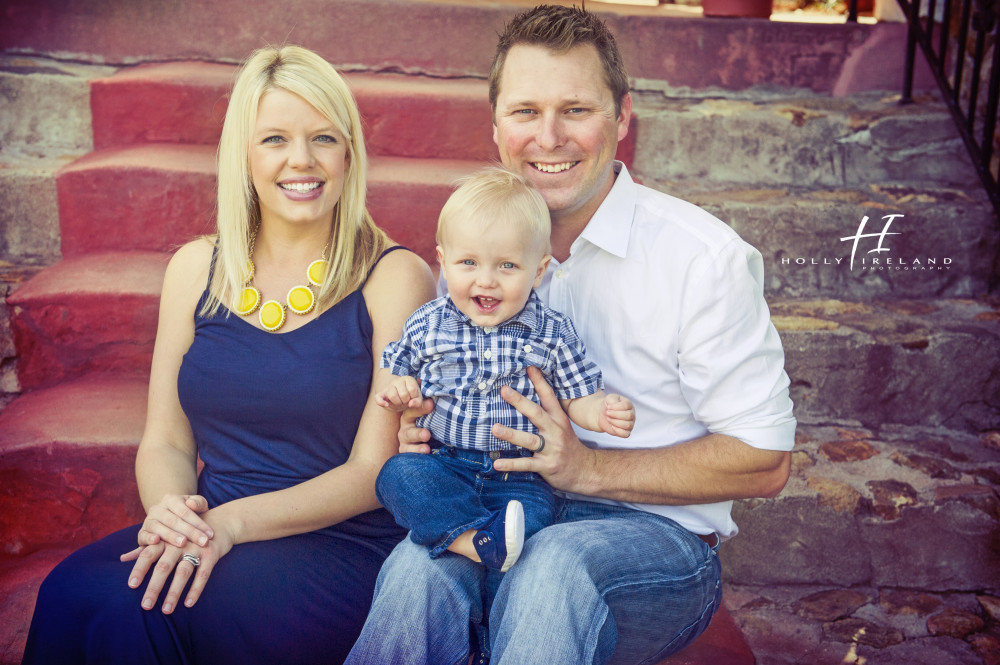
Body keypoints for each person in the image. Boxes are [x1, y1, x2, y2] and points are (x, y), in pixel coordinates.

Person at [346, 6, 796, 665]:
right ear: (496, 124)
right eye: (525, 111)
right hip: (496, 503)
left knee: (551, 563)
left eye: (575, 110)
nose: (548, 137)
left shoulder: (701, 258)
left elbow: (766, 458)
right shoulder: (476, 249)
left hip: (658, 543)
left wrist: (587, 467)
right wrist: (428, 424)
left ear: (622, 116)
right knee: (419, 571)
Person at [21, 44, 434, 665]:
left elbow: (373, 471)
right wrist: (172, 514)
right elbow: (166, 441)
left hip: (337, 542)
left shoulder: (393, 276)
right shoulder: (195, 269)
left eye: (323, 137)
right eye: (274, 139)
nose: (302, 160)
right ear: (242, 154)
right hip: (209, 526)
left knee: (145, 612)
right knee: (71, 593)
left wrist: (231, 526)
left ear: (349, 152)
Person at [374, 166, 635, 576]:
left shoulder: (551, 331)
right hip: (446, 465)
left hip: (518, 474)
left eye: (507, 266)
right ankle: (473, 541)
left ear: (539, 270)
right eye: (468, 262)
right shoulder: (428, 323)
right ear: (442, 261)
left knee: (533, 523)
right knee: (398, 476)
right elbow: (396, 372)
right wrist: (399, 390)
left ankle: (489, 545)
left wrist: (601, 413)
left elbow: (577, 395)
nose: (486, 280)